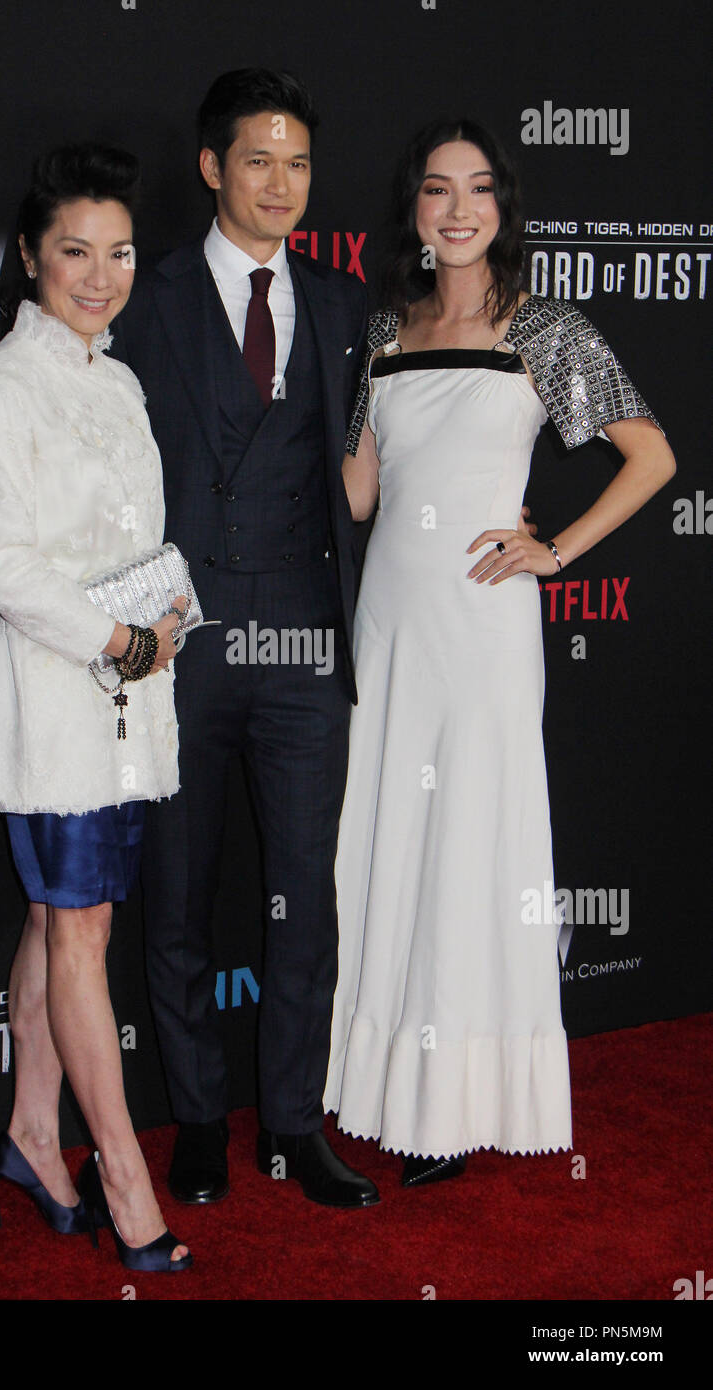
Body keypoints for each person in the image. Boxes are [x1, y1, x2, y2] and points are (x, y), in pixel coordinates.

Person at [324, 118, 675, 1186]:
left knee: (473, 844)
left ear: (502, 206)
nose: (458, 208)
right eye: (436, 190)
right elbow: (357, 493)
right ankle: (373, 1084)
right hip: (388, 621)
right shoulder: (381, 328)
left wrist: (551, 547)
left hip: (481, 630)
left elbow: (651, 456)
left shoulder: (546, 330)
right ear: (414, 211)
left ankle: (458, 1102)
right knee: (382, 835)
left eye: (478, 189)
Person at [110, 69, 379, 1207]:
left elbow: (371, 464)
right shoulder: (146, 291)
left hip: (305, 646)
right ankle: (199, 1126)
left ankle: (288, 1125)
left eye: (300, 164)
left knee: (302, 895)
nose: (282, 185)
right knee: (175, 894)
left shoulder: (336, 302)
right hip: (184, 643)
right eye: (258, 161)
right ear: (213, 166)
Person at [0, 143, 192, 1270]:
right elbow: (5, 566)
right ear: (30, 259)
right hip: (57, 706)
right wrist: (122, 638)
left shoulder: (118, 376)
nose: (99, 275)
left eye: (119, 252)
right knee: (82, 928)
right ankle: (125, 1180)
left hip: (128, 703)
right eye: (74, 253)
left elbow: (130, 543)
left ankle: (32, 1134)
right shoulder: (0, 386)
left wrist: (161, 615)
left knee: (59, 923)